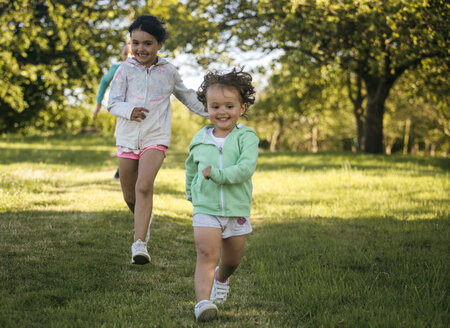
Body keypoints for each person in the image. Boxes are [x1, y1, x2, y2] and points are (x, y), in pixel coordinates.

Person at [107, 15, 208, 265]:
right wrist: (128, 110)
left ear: (160, 44)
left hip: (156, 137)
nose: (141, 48)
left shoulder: (169, 71)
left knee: (144, 186)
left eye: (148, 43)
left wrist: (214, 113)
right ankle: (144, 219)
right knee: (130, 196)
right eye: (135, 43)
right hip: (128, 138)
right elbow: (113, 102)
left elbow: (187, 96)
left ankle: (139, 243)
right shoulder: (124, 69)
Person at [185, 68, 259, 321]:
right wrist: (191, 194)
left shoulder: (246, 137)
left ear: (242, 107)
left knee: (232, 261)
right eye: (215, 106)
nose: (222, 111)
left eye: (229, 105)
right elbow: (191, 167)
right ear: (206, 107)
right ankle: (203, 303)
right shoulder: (200, 137)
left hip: (236, 208)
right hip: (206, 207)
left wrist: (217, 174)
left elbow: (244, 169)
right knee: (206, 254)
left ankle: (222, 277)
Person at [93, 42, 132, 179]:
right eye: (125, 53)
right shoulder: (117, 68)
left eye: (130, 53)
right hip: (123, 112)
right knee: (124, 140)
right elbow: (104, 82)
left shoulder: (144, 69)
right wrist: (99, 103)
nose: (128, 56)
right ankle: (121, 169)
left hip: (141, 113)